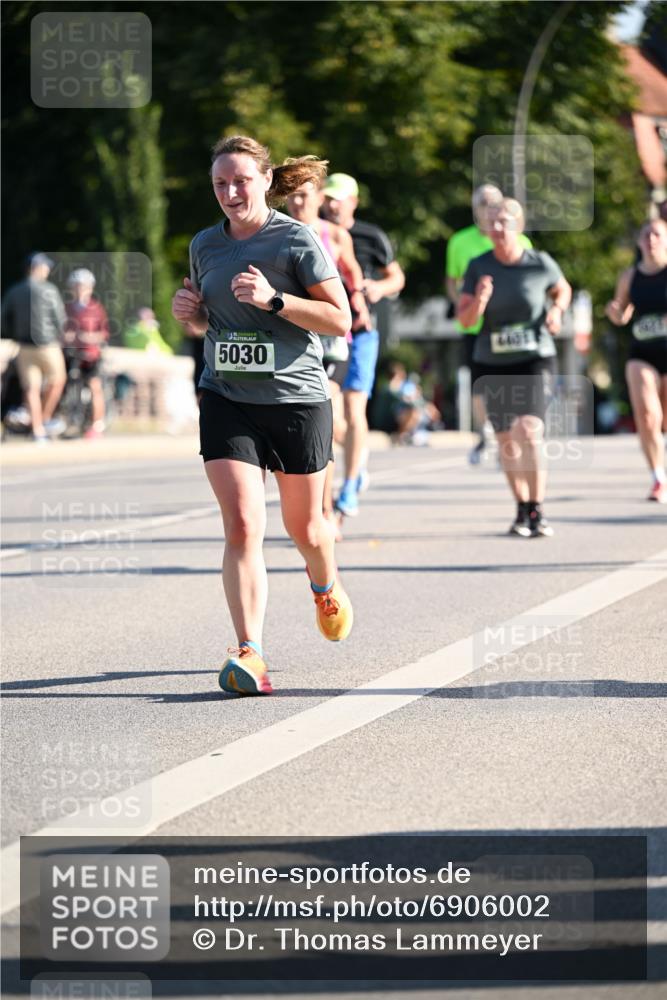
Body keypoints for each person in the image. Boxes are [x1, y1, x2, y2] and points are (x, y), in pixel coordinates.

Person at [171, 136, 354, 696]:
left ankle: (324, 585)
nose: (230, 192)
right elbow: (213, 324)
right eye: (220, 183)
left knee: (308, 529)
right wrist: (193, 316)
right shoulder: (205, 245)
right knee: (244, 524)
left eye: (241, 181)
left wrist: (276, 300)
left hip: (296, 400)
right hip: (227, 398)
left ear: (265, 180)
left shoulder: (295, 240)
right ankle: (249, 651)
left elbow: (338, 319)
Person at [458, 198, 572, 537]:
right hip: (492, 362)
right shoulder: (478, 266)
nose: (497, 227)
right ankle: (521, 508)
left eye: (504, 221)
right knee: (507, 439)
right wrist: (479, 300)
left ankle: (537, 508)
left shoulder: (540, 263)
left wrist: (556, 311)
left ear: (518, 226)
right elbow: (465, 320)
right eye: (491, 221)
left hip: (535, 357)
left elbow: (561, 288)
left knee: (530, 430)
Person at [285, 167, 371, 537]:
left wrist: (361, 303)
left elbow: (353, 275)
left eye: (305, 195)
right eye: (291, 195)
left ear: (320, 198)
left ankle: (324, 510)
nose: (298, 202)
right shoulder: (275, 233)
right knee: (308, 429)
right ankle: (315, 506)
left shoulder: (333, 235)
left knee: (329, 423)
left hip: (333, 345)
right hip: (293, 341)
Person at [322, 173, 405, 518]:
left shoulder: (372, 235)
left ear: (353, 201)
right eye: (328, 198)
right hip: (328, 332)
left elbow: (397, 277)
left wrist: (377, 289)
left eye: (338, 198)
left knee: (355, 409)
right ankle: (359, 458)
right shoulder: (314, 231)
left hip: (362, 331)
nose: (332, 204)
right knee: (329, 413)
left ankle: (351, 483)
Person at [446, 184, 532, 464]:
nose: (488, 207)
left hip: (511, 327)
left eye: (493, 202)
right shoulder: (459, 241)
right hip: (475, 325)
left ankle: (510, 433)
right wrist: (464, 304)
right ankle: (489, 432)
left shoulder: (522, 241)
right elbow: (452, 281)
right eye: (482, 203)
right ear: (475, 210)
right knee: (481, 384)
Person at [606, 218, 667, 503]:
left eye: (656, 234)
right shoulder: (630, 276)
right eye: (646, 235)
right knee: (647, 416)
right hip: (642, 354)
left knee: (664, 418)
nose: (651, 239)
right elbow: (622, 313)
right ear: (640, 242)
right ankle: (658, 477)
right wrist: (616, 311)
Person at [1, 252, 67, 443]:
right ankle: (44, 420)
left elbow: (4, 318)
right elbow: (59, 319)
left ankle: (37, 429)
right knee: (57, 382)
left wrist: (14, 333)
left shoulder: (15, 290)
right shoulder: (49, 290)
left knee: (31, 388)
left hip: (24, 346)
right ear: (37, 268)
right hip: (48, 345)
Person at [63, 268, 110, 438]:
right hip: (71, 353)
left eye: (83, 286)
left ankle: (97, 424)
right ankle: (65, 420)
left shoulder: (96, 308)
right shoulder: (67, 308)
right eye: (77, 286)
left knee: (94, 386)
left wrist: (90, 337)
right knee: (63, 383)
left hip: (90, 354)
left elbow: (104, 333)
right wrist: (66, 337)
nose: (80, 289)